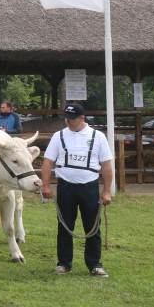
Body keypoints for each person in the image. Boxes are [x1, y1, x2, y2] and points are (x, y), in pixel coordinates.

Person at [40, 103, 114, 277]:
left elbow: (107, 165)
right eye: (66, 118)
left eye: (72, 118)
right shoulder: (59, 136)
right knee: (64, 225)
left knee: (92, 227)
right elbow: (48, 161)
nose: (68, 121)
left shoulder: (98, 137)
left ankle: (94, 264)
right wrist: (45, 185)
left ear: (82, 118)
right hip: (65, 186)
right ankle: (64, 263)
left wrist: (107, 191)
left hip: (89, 186)